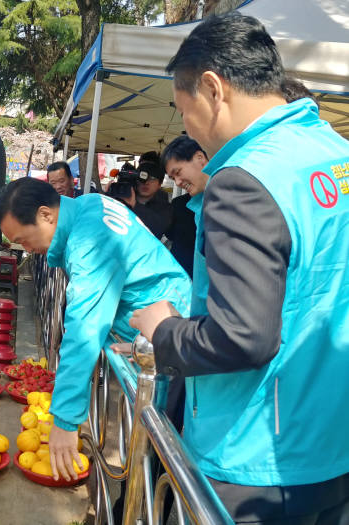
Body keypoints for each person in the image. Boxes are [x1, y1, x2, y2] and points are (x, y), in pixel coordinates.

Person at [129, 13, 349, 524]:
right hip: (333, 443)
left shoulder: (244, 178)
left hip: (258, 457)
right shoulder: (337, 153)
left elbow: (243, 337)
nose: (188, 127)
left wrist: (165, 332)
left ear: (212, 89)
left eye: (184, 110)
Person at [0, 178, 191, 482]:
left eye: (25, 239)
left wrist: (65, 420)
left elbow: (83, 328)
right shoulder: (89, 205)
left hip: (171, 347)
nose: (27, 249)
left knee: (153, 459)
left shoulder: (88, 240)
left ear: (46, 215)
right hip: (156, 335)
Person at [161, 136, 210, 278]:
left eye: (178, 173)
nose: (177, 182)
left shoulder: (231, 195)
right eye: (172, 178)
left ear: (199, 158)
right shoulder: (195, 204)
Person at [135, 155, 172, 233]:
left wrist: (133, 205)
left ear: (160, 184)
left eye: (152, 179)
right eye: (143, 178)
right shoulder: (122, 194)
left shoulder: (165, 207)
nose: (146, 183)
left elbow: (157, 228)